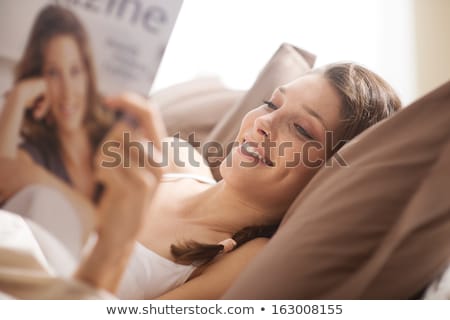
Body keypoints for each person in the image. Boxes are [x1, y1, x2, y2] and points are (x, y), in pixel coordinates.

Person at [71, 62, 401, 299]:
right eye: (272, 103)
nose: (265, 122)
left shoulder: (248, 260)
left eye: (301, 129)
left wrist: (119, 229)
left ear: (328, 176)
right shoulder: (174, 155)